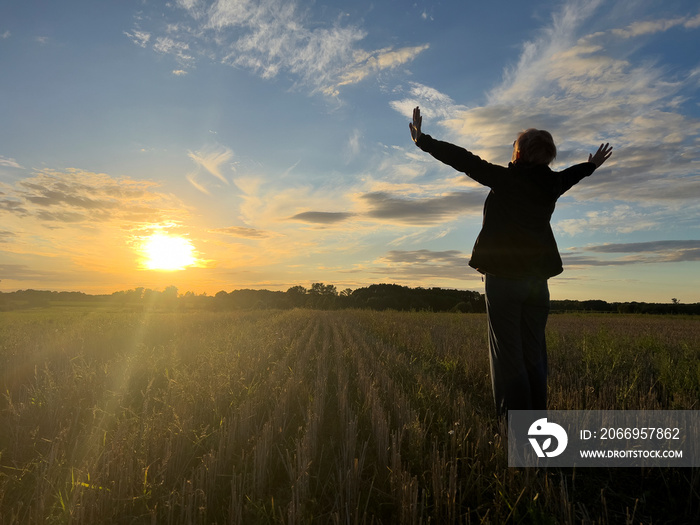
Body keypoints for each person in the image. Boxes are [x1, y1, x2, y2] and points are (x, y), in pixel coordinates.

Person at [409, 106, 612, 417]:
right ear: (548, 156)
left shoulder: (505, 179)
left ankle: (514, 427)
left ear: (519, 153)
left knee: (508, 358)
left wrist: (424, 141)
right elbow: (573, 175)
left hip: (504, 281)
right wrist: (591, 166)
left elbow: (464, 160)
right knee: (534, 356)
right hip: (537, 285)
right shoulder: (553, 185)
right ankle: (537, 424)